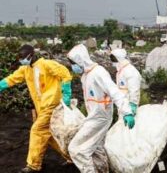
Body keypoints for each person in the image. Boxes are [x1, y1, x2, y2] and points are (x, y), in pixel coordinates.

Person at [0, 45, 73, 173]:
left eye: (23, 57)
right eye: (20, 58)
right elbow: (11, 79)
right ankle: (73, 157)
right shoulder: (26, 69)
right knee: (50, 136)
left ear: (31, 55)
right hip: (41, 107)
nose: (22, 60)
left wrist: (66, 93)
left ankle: (33, 165)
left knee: (37, 130)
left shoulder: (47, 64)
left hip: (51, 104)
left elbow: (65, 74)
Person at [67, 44, 135, 173]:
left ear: (80, 60)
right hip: (94, 116)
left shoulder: (98, 72)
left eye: (73, 63)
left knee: (77, 150)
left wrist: (127, 111)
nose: (73, 67)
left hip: (100, 117)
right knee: (96, 148)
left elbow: (114, 91)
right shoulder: (86, 75)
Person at [110, 48, 141, 115]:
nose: (113, 61)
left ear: (119, 58)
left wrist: (133, 103)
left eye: (114, 59)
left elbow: (134, 89)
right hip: (123, 105)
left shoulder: (130, 71)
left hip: (129, 107)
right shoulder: (121, 71)